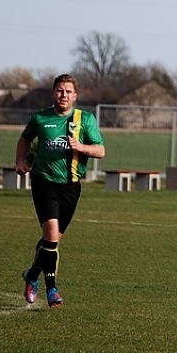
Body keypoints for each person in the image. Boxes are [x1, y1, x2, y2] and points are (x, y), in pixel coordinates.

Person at [16, 74, 106, 308]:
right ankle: (52, 289)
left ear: (75, 96)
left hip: (71, 186)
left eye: (68, 91)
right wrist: (20, 161)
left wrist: (81, 147)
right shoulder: (40, 118)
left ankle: (32, 275)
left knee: (52, 240)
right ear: (53, 93)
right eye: (59, 90)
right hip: (43, 181)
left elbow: (100, 150)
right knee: (52, 235)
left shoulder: (85, 119)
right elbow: (24, 139)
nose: (63, 95)